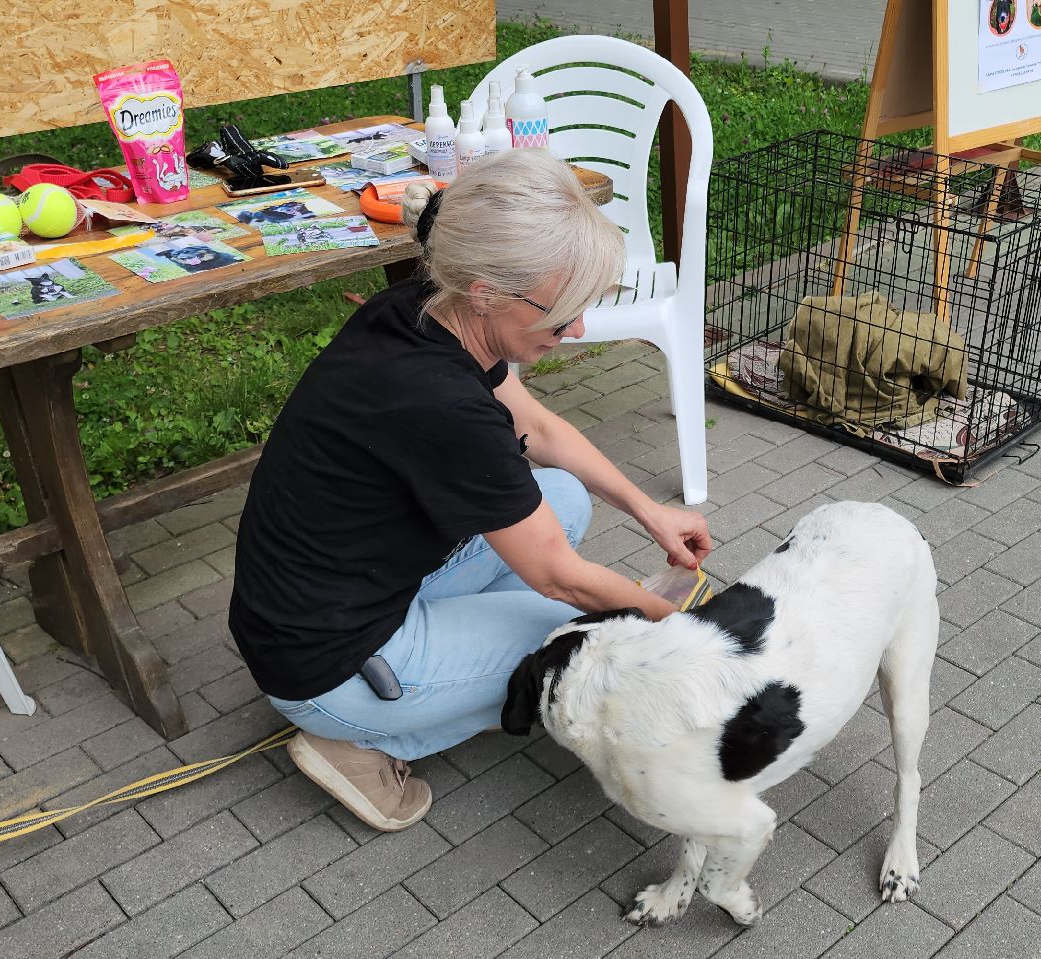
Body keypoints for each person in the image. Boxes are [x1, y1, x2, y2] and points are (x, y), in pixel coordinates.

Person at [228, 148, 713, 832]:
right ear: (486, 290)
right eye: (562, 311)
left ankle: (457, 680)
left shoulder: (429, 308)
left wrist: (648, 510)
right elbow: (562, 580)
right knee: (584, 647)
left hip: (332, 596)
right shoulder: (441, 404)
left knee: (564, 500)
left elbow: (537, 427)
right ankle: (358, 741)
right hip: (328, 664)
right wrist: (689, 633)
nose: (576, 331)